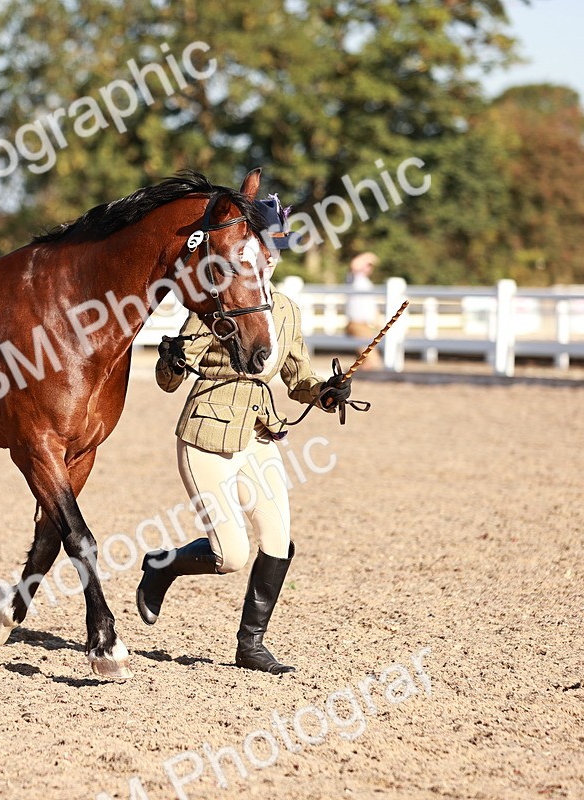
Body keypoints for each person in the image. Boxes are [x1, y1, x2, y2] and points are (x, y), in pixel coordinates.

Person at [137, 194, 351, 675]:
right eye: (265, 246)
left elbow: (298, 379)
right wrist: (169, 361)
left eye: (277, 248)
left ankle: (250, 645)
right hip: (207, 433)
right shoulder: (217, 297)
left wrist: (328, 393)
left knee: (279, 537)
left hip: (259, 435)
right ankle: (162, 566)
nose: (272, 256)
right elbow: (169, 381)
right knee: (230, 554)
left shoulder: (288, 311)